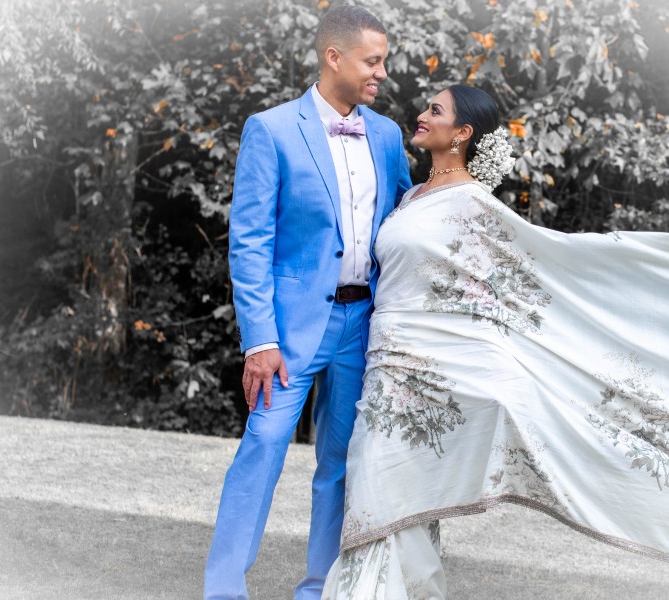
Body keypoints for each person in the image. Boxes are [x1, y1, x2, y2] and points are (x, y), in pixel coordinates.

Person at [321, 85, 669, 597]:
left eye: (435, 110)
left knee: (384, 497)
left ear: (462, 133)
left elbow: (526, 276)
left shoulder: (473, 205)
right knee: (395, 503)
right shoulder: (412, 196)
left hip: (431, 376)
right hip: (388, 368)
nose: (422, 114)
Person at [205, 6, 413, 600]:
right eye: (372, 61)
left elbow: (407, 221)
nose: (381, 73)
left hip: (363, 325)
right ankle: (223, 590)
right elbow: (250, 243)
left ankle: (320, 589)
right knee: (264, 445)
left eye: (383, 62)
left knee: (342, 463)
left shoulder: (387, 135)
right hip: (289, 333)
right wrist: (260, 341)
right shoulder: (270, 130)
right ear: (334, 57)